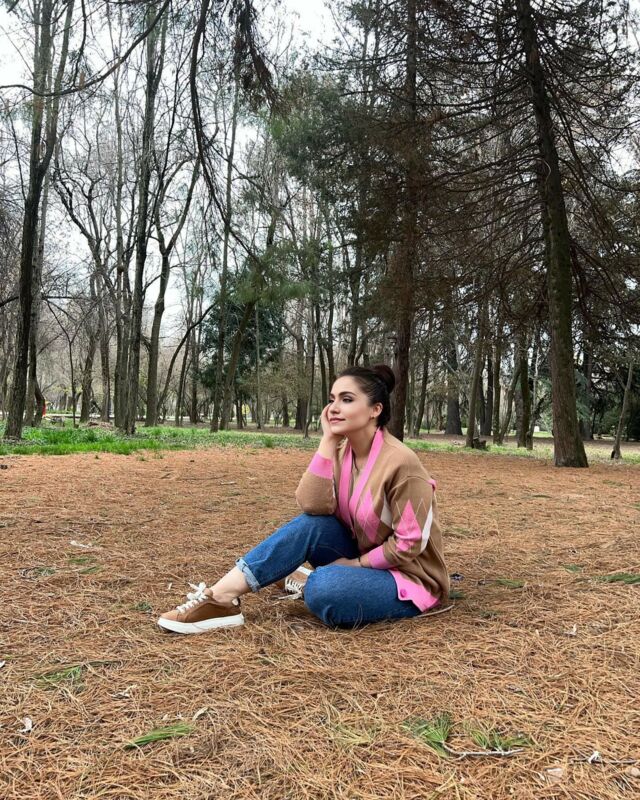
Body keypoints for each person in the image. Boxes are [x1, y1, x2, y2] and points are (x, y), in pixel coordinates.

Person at [158, 364, 449, 633]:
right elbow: (312, 506)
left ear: (375, 409)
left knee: (323, 589)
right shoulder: (342, 452)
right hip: (360, 556)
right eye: (332, 399)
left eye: (347, 399)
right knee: (312, 525)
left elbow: (409, 543)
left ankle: (307, 581)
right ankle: (220, 598)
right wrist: (328, 440)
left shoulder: (402, 463)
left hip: (407, 577)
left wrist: (355, 566)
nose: (334, 408)